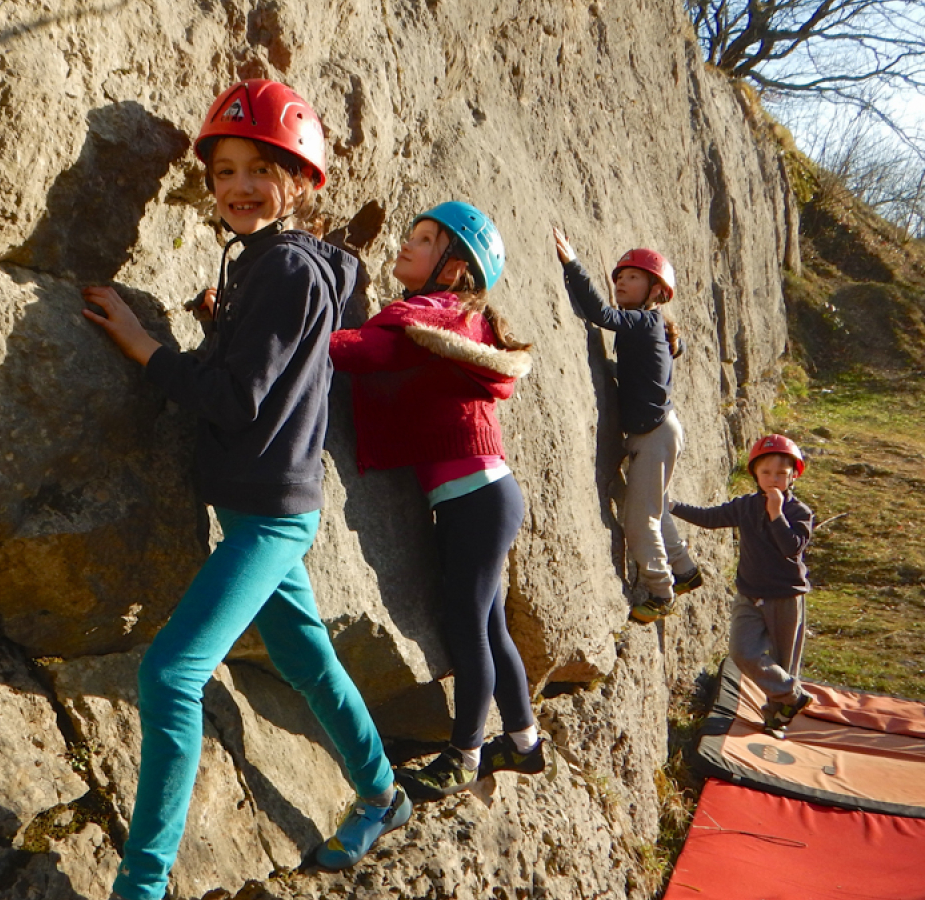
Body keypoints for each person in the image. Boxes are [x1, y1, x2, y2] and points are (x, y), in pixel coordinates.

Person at [81, 79, 408, 900]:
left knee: (170, 676)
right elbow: (264, 368)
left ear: (300, 182)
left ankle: (142, 886)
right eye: (224, 170)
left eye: (262, 169)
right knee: (310, 661)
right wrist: (214, 326)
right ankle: (382, 793)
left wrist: (143, 346)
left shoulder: (286, 267)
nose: (238, 187)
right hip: (270, 506)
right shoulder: (275, 265)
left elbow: (235, 399)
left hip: (266, 517)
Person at [330, 202, 545, 800]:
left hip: (476, 497)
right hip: (483, 493)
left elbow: (367, 353)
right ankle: (525, 744)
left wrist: (295, 332)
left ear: (450, 270)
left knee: (467, 623)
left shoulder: (432, 317)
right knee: (491, 623)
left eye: (423, 240)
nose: (405, 243)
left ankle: (465, 754)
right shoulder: (455, 319)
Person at [552, 229, 702, 624]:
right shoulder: (650, 325)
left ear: (656, 289)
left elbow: (601, 316)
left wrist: (572, 266)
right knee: (650, 505)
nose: (621, 281)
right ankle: (685, 570)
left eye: (633, 276)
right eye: (619, 276)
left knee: (639, 518)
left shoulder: (643, 322)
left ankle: (660, 591)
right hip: (657, 431)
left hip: (654, 435)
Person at [672, 434, 815, 738]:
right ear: (755, 474)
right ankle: (792, 695)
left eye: (781, 473)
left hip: (786, 597)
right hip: (750, 593)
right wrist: (672, 506)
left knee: (783, 661)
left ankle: (776, 718)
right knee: (742, 652)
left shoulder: (799, 513)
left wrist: (777, 514)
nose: (773, 479)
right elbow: (710, 518)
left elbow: (791, 547)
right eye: (766, 473)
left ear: (793, 476)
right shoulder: (747, 506)